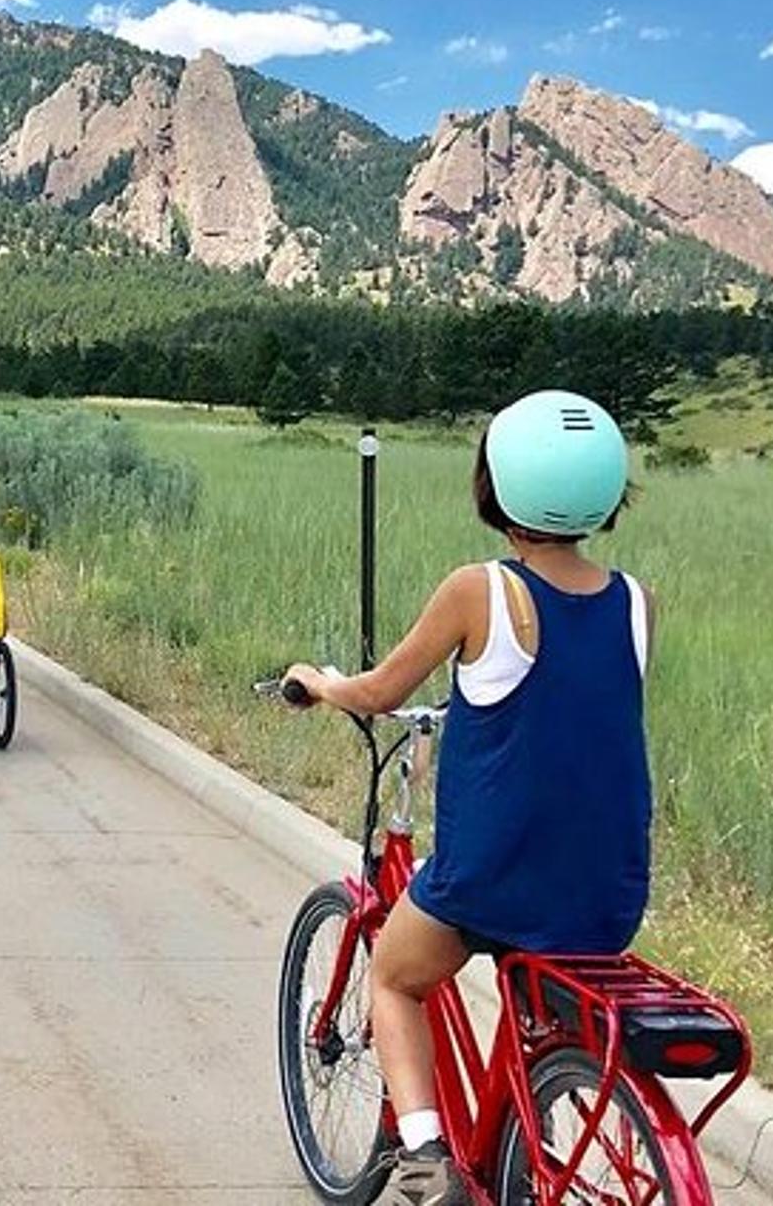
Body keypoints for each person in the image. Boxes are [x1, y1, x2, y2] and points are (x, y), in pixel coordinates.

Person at [284, 390, 649, 1206]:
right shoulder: (635, 602)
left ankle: (425, 1159)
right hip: (609, 893)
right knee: (534, 982)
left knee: (394, 975)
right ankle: (531, 1125)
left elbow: (381, 691)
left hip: (491, 882)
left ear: (496, 487)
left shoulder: (478, 590)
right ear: (608, 492)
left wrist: (321, 682)